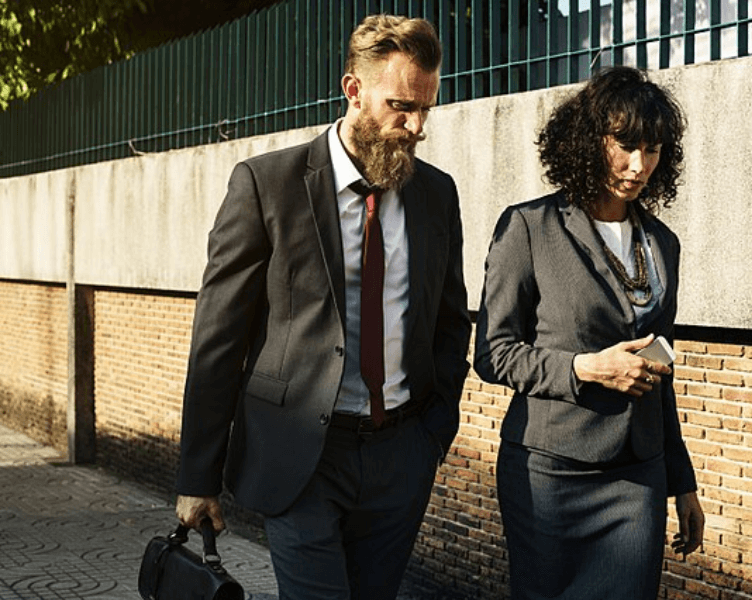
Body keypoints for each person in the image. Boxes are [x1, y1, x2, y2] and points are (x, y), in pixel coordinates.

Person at [174, 14, 471, 600]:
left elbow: (449, 320)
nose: (415, 126)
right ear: (354, 90)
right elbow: (218, 338)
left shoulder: (437, 195)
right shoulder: (267, 185)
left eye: (426, 109)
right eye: (401, 106)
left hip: (400, 455)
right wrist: (196, 477)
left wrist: (434, 432)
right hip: (299, 457)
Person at [474, 66, 704, 600]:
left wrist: (681, 481)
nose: (638, 165)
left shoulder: (662, 244)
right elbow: (493, 353)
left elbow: (660, 374)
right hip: (551, 473)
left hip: (638, 478)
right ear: (587, 139)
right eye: (624, 145)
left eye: (652, 150)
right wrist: (586, 367)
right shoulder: (528, 228)